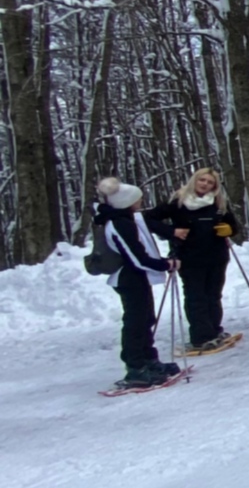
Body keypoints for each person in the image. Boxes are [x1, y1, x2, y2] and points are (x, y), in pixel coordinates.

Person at [95, 176, 180, 390]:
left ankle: (149, 359)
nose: (140, 202)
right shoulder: (119, 224)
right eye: (137, 199)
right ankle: (135, 367)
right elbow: (136, 257)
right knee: (135, 322)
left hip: (137, 277)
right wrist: (164, 264)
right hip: (128, 278)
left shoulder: (127, 220)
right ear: (126, 202)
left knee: (146, 318)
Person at [149, 166, 241, 352]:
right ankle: (201, 336)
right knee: (196, 297)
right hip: (189, 257)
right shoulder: (178, 201)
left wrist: (229, 230)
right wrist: (171, 232)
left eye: (210, 183)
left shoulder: (218, 203)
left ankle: (214, 331)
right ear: (194, 180)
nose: (205, 185)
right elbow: (149, 219)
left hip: (216, 256)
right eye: (202, 180)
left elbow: (234, 225)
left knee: (213, 295)